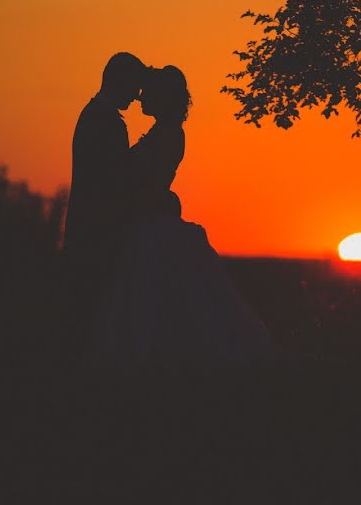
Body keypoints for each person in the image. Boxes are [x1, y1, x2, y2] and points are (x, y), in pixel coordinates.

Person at [89, 65, 277, 369]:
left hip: (151, 225)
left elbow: (152, 181)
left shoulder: (169, 135)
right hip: (147, 219)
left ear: (163, 97)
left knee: (151, 294)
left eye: (148, 92)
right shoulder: (163, 132)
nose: (140, 98)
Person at [63, 52, 148, 344]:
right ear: (117, 81)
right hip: (96, 230)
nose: (137, 96)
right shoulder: (103, 121)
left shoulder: (95, 116)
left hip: (93, 227)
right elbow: (113, 179)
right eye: (134, 86)